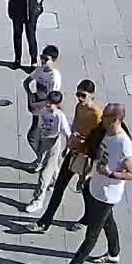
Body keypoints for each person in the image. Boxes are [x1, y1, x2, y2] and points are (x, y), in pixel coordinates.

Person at [52, 103, 132, 264]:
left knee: (91, 235)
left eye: (105, 117)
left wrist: (111, 174)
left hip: (107, 195)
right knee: (108, 221)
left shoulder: (125, 145)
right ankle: (114, 253)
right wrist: (84, 173)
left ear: (115, 119)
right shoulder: (104, 132)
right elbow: (93, 152)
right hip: (94, 186)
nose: (101, 119)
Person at [34, 80, 100, 232]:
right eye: (78, 95)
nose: (79, 98)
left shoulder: (96, 114)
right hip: (74, 151)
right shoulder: (79, 107)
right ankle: (45, 221)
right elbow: (75, 127)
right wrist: (68, 146)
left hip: (87, 155)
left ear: (92, 95)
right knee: (59, 185)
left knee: (86, 190)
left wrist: (86, 172)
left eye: (83, 95)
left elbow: (96, 141)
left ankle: (89, 218)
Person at [25, 89, 71, 207]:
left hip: (53, 143)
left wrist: (67, 148)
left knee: (44, 174)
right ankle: (55, 181)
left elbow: (68, 134)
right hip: (43, 140)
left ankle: (38, 200)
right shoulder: (44, 108)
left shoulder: (60, 116)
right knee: (52, 165)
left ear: (57, 105)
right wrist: (29, 92)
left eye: (51, 103)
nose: (48, 105)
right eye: (47, 102)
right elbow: (32, 108)